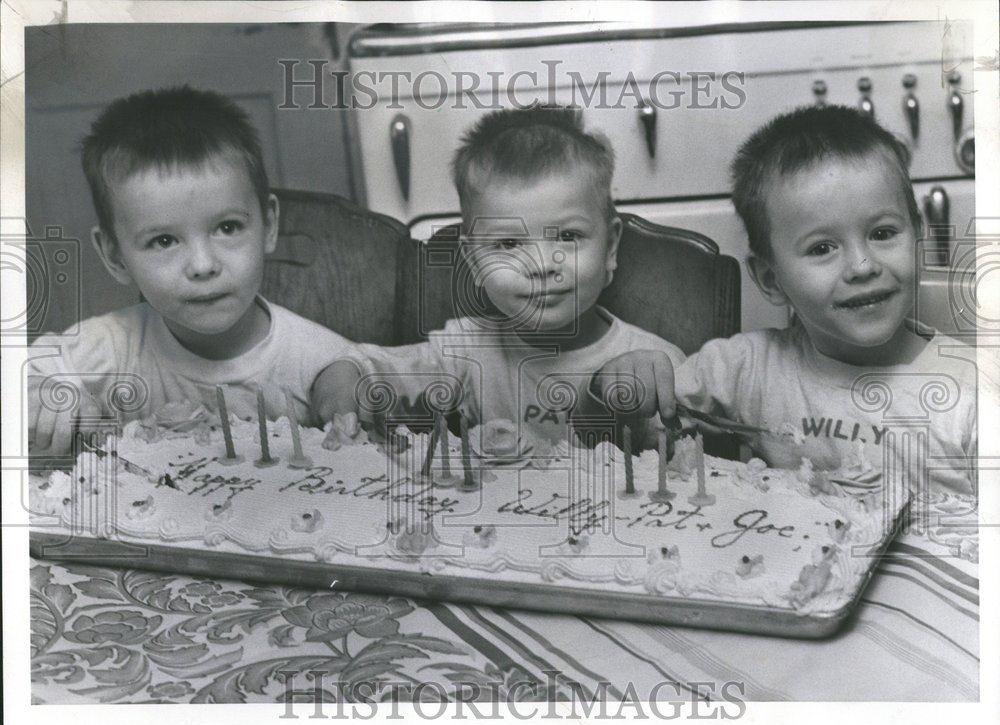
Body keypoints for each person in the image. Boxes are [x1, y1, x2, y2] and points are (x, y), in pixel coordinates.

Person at [589, 105, 977, 495]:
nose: (862, 266)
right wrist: (623, 383)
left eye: (882, 233)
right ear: (771, 279)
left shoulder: (976, 392)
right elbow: (638, 434)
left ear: (918, 238)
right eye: (823, 247)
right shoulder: (747, 369)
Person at [312, 105, 684, 450]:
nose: (540, 265)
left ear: (611, 248)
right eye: (508, 243)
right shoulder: (466, 352)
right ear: (474, 261)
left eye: (568, 237)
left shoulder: (655, 363)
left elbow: (687, 460)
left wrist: (641, 407)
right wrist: (342, 393)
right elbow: (359, 368)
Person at [28, 86, 355, 454]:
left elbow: (387, 372)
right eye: (164, 241)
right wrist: (42, 396)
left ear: (269, 224)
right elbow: (23, 374)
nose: (203, 266)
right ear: (115, 255)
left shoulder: (316, 357)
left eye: (228, 228)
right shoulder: (109, 347)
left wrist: (343, 385)